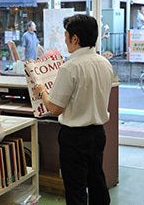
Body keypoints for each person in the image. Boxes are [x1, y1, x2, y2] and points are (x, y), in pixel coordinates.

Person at [32, 14, 113, 205]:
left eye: (66, 35)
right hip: (98, 133)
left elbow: (55, 108)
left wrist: (42, 91)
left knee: (75, 188)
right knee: (96, 181)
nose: (65, 40)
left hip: (75, 137)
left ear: (75, 38)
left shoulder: (70, 67)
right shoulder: (105, 63)